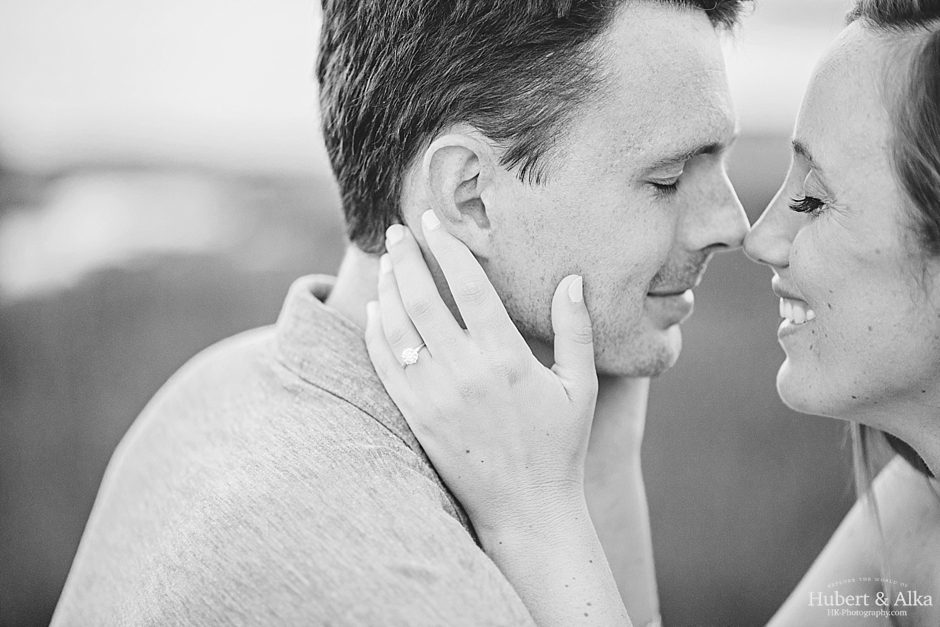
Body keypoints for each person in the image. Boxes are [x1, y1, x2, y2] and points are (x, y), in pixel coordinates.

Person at [51, 1, 750, 624]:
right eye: (667, 179)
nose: (732, 223)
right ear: (469, 195)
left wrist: (601, 468)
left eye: (722, 160)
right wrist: (543, 521)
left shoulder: (203, 392)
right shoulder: (408, 592)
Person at [366, 0, 940, 625]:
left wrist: (533, 510)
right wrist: (605, 453)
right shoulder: (916, 518)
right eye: (668, 179)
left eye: (813, 199)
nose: (756, 236)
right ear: (470, 194)